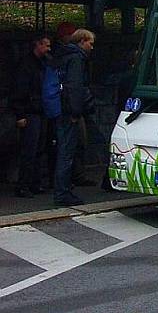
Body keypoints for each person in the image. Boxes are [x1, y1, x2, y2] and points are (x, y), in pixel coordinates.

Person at [53, 28, 96, 206]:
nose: (92, 47)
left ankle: (63, 189)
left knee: (64, 150)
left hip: (59, 108)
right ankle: (62, 192)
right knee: (67, 152)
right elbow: (75, 87)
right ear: (82, 41)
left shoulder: (62, 56)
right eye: (90, 43)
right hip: (69, 112)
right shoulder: (76, 59)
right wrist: (76, 112)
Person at [11, 34, 52, 198]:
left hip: (38, 109)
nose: (49, 49)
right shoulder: (27, 66)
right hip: (30, 110)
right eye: (46, 45)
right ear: (38, 45)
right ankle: (24, 184)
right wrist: (20, 113)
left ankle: (34, 183)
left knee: (38, 149)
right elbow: (19, 90)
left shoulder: (40, 64)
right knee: (29, 150)